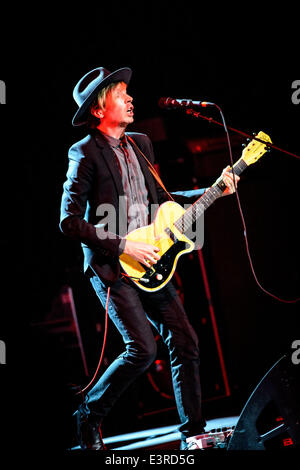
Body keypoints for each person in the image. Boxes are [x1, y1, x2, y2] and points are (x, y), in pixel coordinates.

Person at [59, 66, 239, 450]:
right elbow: (69, 221)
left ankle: (193, 432)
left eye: (128, 92)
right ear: (97, 109)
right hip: (112, 266)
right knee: (143, 348)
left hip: (153, 261)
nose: (130, 98)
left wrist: (212, 190)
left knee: (186, 340)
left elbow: (160, 200)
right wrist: (124, 245)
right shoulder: (84, 152)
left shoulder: (141, 142)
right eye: (120, 94)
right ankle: (87, 416)